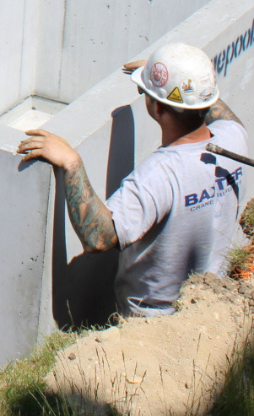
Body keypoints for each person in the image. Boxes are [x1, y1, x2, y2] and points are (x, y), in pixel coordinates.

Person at [17, 41, 247, 317]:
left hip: (155, 322)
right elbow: (215, 110)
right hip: (208, 305)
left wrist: (71, 163)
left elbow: (99, 238)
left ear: (158, 109)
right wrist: (169, 79)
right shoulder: (235, 138)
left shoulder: (158, 175)